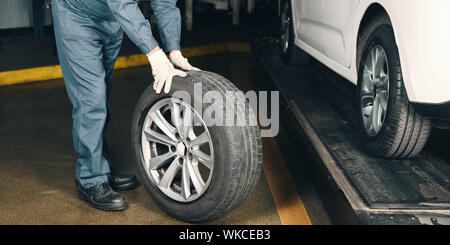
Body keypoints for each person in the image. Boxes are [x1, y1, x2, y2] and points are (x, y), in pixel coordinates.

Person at [51, 0, 199, 211]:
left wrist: (173, 50)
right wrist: (156, 56)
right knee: (91, 99)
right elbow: (121, 3)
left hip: (112, 19)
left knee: (101, 97)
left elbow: (165, 5)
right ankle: (90, 178)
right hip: (77, 15)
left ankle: (102, 168)